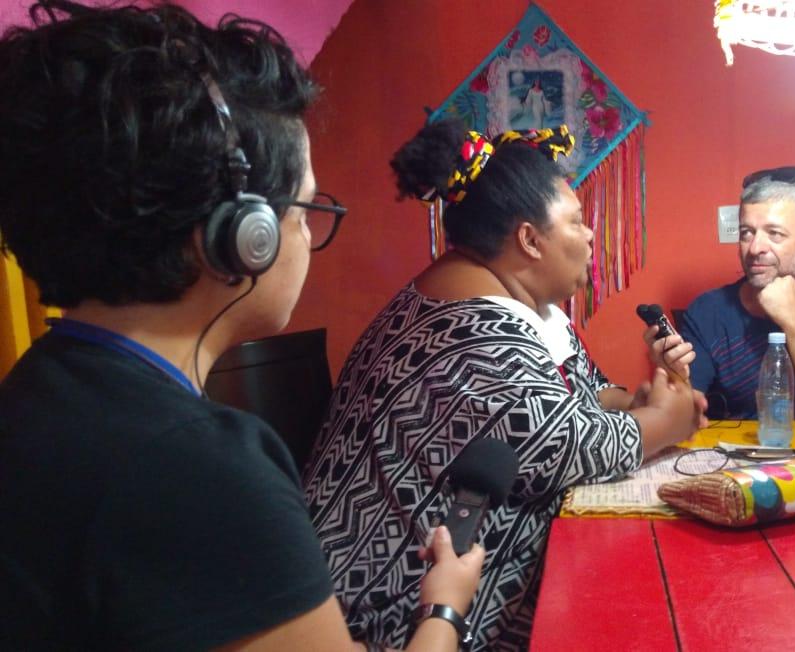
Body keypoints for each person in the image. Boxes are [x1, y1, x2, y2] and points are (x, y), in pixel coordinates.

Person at [0, 3, 482, 650]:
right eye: (305, 206)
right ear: (241, 237)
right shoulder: (198, 470)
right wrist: (444, 608)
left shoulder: (35, 391)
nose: (309, 235)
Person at [303, 120, 703, 651]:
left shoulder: (521, 306)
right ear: (529, 241)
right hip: (388, 610)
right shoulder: (471, 330)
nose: (589, 237)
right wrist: (663, 421)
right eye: (578, 222)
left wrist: (644, 400)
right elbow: (561, 446)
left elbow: (585, 393)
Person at [648, 167, 795, 424]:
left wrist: (792, 316)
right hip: (731, 458)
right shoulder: (707, 311)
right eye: (746, 233)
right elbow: (687, 415)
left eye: (775, 234)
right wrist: (673, 376)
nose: (755, 248)